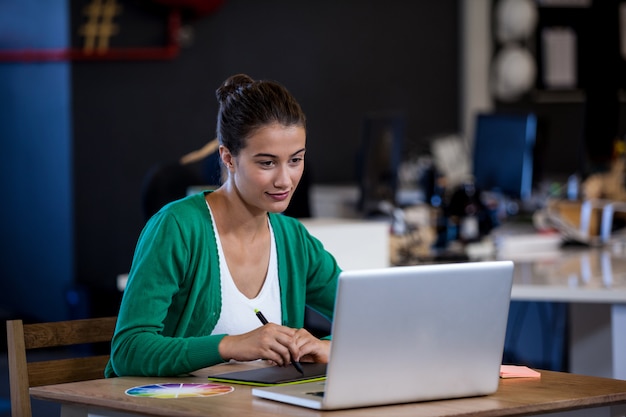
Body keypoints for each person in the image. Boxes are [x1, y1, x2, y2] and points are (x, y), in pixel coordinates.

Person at [105, 74, 341, 377]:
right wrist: (230, 345)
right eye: (267, 163)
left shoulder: (293, 238)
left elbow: (370, 316)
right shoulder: (177, 227)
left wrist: (327, 347)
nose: (285, 180)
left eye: (295, 160)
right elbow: (128, 350)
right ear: (228, 157)